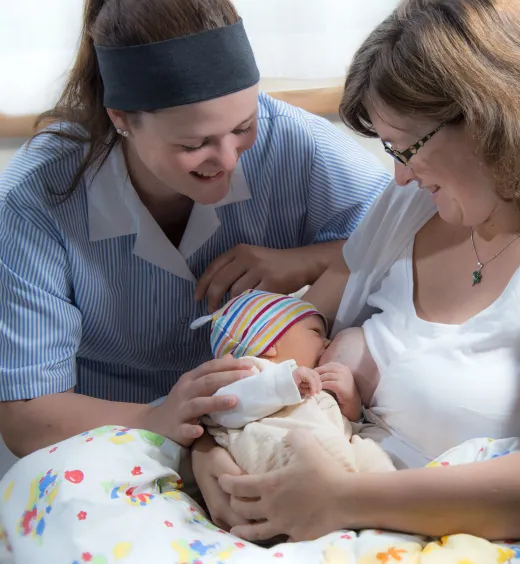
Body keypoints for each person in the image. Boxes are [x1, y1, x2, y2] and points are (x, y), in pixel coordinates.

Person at [192, 0, 520, 545]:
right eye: (389, 149)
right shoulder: (412, 208)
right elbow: (288, 342)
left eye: (408, 148)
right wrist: (214, 454)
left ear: (487, 119)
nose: (398, 176)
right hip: (309, 497)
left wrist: (338, 500)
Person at [0, 0, 390, 458]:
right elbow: (26, 417)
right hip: (105, 437)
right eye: (195, 143)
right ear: (121, 118)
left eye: (244, 127)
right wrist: (158, 418)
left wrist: (310, 260)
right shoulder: (34, 199)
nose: (227, 159)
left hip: (259, 426)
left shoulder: (292, 142)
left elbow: (419, 230)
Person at [193, 289, 396, 475]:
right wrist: (285, 382)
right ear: (269, 343)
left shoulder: (314, 386)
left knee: (373, 456)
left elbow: (342, 426)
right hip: (281, 448)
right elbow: (225, 407)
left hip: (336, 446)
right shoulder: (250, 371)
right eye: (316, 333)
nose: (327, 342)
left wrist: (351, 404)